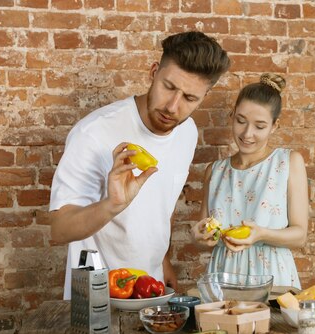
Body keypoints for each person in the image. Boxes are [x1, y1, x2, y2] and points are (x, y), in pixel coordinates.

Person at [50, 31, 230, 299]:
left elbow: (164, 201)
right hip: (96, 297)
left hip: (153, 289)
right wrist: (112, 205)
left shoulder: (187, 132)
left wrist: (164, 259)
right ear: (154, 72)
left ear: (203, 97)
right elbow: (59, 228)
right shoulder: (94, 132)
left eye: (190, 98)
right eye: (169, 87)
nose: (172, 106)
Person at [191, 74, 309, 288]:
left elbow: (300, 236)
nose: (247, 133)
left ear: (274, 126)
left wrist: (261, 234)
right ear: (232, 115)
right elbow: (205, 236)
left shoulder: (288, 162)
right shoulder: (215, 171)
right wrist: (199, 235)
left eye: (260, 126)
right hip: (222, 277)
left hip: (272, 278)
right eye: (240, 121)